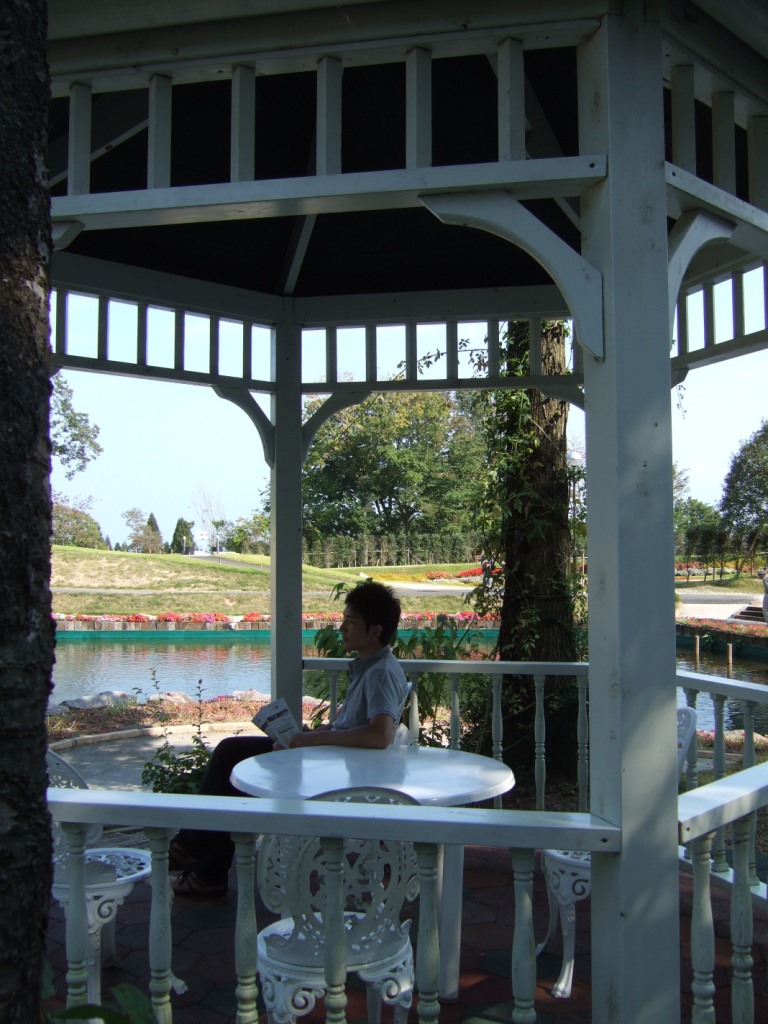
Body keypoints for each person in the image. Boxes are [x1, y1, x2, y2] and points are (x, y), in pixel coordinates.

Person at [169, 581, 409, 896]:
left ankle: (197, 854)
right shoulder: (369, 668)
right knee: (233, 759)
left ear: (374, 631)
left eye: (350, 622)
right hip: (332, 762)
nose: (341, 628)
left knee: (231, 756)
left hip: (339, 776)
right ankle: (204, 865)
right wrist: (306, 736)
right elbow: (349, 726)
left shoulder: (380, 673)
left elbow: (380, 735)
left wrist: (315, 741)